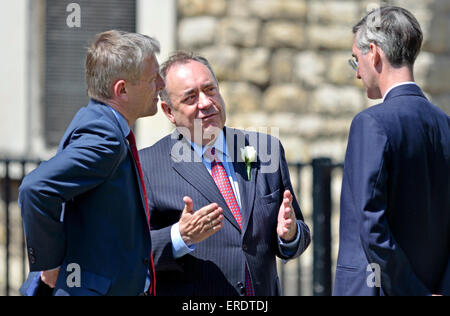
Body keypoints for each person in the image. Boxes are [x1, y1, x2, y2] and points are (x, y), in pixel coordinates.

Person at [139, 52, 311, 296]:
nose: (206, 103)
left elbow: (297, 234)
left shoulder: (265, 150)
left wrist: (290, 235)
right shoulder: (148, 165)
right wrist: (180, 236)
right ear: (168, 111)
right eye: (190, 97)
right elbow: (133, 257)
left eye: (210, 90)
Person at [19, 30, 165, 296]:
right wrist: (50, 263)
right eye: (153, 78)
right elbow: (35, 188)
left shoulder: (100, 121)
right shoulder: (105, 136)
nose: (162, 84)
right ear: (122, 90)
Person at [334, 6, 450, 296]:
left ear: (373, 53)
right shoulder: (445, 125)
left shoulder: (370, 123)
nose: (358, 73)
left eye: (355, 60)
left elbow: (371, 226)